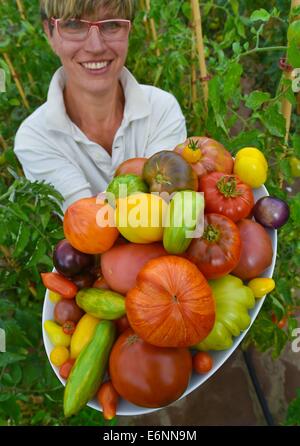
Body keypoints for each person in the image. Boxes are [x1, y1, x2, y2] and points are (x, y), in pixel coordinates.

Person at [14, 0, 187, 213]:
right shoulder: (36, 138)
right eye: (74, 25)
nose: (95, 47)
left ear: (128, 31)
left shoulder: (161, 109)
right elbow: (87, 224)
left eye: (111, 24)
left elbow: (167, 212)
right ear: (50, 34)